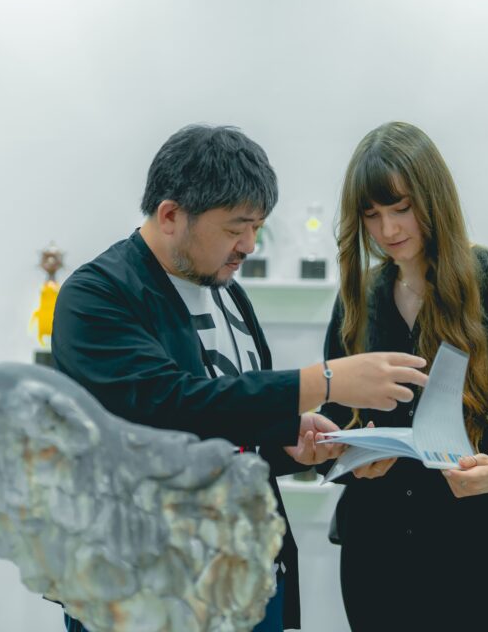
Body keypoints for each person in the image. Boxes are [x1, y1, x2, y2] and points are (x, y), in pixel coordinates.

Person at [51, 124, 430, 632]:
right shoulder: (97, 296)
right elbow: (169, 406)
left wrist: (288, 441)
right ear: (171, 215)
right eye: (236, 228)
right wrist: (323, 381)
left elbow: (228, 424)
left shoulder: (226, 290)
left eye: (257, 228)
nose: (248, 245)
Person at [319, 121, 488, 632]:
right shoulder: (360, 299)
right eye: (371, 215)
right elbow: (335, 419)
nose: (387, 230)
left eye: (401, 208)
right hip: (380, 561)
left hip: (487, 560)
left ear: (433, 198)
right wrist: (353, 456)